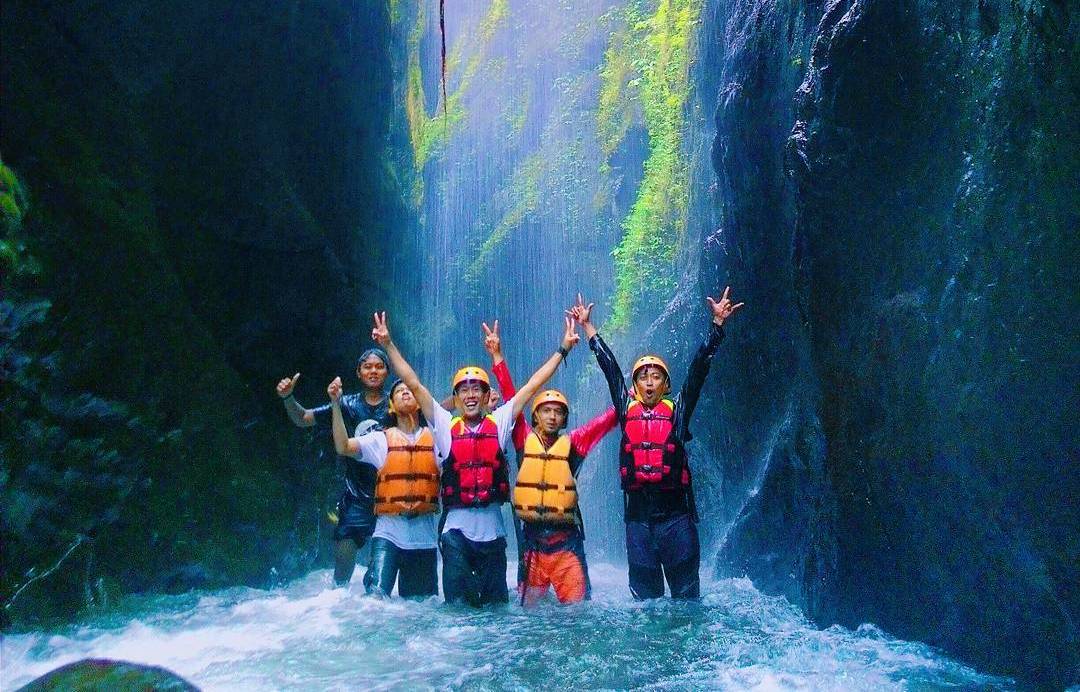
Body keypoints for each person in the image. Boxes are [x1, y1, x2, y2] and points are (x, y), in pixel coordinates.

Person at [372, 311, 580, 606]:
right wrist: (388, 344)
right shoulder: (445, 425)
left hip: (493, 534)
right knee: (457, 610)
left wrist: (563, 349)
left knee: (495, 611)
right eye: (464, 390)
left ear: (485, 397)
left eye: (476, 390)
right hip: (456, 534)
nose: (470, 395)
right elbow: (414, 384)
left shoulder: (501, 422)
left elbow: (532, 386)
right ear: (455, 398)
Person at [571, 287, 744, 599]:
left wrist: (717, 327)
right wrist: (588, 328)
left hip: (676, 521)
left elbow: (698, 371)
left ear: (666, 385)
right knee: (644, 606)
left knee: (686, 602)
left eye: (656, 377)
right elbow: (610, 369)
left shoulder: (677, 412)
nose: (649, 382)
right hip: (639, 523)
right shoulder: (626, 409)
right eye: (643, 377)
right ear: (635, 386)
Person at [276, 349, 390, 586]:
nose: (373, 371)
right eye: (367, 366)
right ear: (358, 373)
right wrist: (288, 398)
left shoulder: (396, 404)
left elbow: (432, 413)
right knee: (342, 569)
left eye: (379, 366)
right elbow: (303, 418)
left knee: (381, 572)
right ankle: (341, 607)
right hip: (356, 495)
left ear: (387, 372)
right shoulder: (346, 404)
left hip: (391, 496)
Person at [329, 377, 439, 598]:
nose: (405, 392)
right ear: (390, 405)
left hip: (424, 538)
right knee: (375, 602)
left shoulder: (438, 440)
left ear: (420, 402)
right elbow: (343, 446)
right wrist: (335, 405)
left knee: (421, 609)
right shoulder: (380, 439)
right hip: (388, 533)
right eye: (399, 391)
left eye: (410, 390)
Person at [513, 389, 617, 605]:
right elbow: (512, 400)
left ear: (564, 420)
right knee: (528, 617)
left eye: (558, 412)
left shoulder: (575, 443)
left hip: (566, 545)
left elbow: (604, 422)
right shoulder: (523, 438)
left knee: (577, 613)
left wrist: (630, 399)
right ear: (535, 416)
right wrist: (498, 360)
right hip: (532, 547)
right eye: (546, 411)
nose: (552, 417)